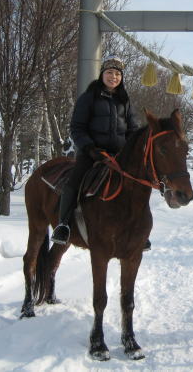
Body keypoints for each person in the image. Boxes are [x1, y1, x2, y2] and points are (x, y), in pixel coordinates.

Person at [51, 55, 142, 246]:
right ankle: (63, 225)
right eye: (110, 73)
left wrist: (132, 149)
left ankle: (138, 229)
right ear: (102, 74)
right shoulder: (89, 97)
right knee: (74, 182)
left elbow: (133, 129)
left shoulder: (125, 100)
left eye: (118, 74)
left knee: (138, 185)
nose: (114, 77)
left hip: (119, 155)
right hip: (92, 153)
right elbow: (77, 127)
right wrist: (90, 148)